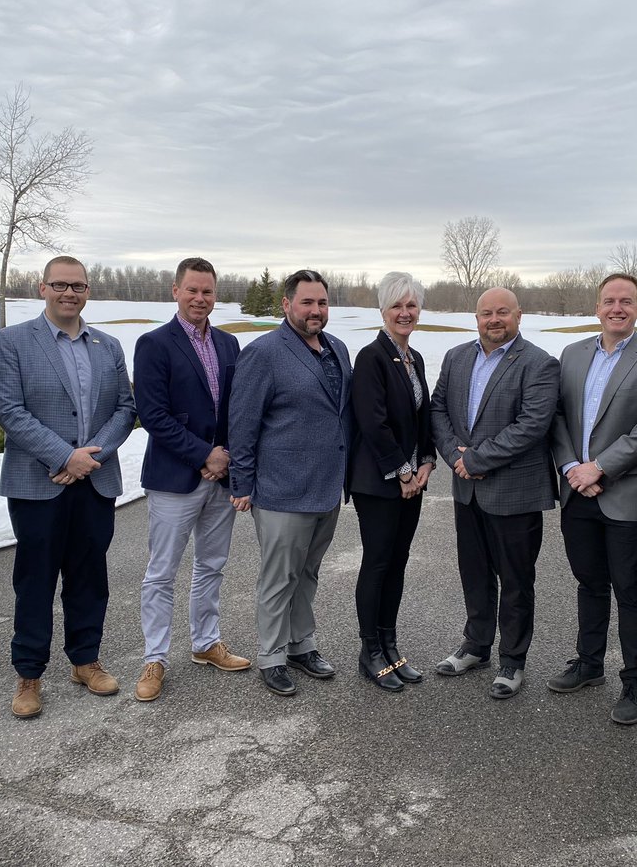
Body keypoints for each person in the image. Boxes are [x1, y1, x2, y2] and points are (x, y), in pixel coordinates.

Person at [0, 255, 135, 719]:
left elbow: (125, 408)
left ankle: (85, 660)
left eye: (78, 286)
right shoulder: (12, 341)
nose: (69, 293)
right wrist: (63, 456)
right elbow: (10, 410)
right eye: (60, 285)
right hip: (37, 483)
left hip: (95, 480)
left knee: (90, 575)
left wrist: (88, 457)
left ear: (88, 291)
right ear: (42, 288)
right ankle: (29, 674)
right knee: (35, 579)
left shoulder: (108, 345)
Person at [547, 273, 637, 724]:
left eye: (626, 301)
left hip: (628, 496)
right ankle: (589, 664)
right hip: (578, 494)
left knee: (631, 591)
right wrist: (571, 469)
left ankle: (635, 683)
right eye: (609, 301)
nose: (617, 308)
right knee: (589, 584)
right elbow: (558, 417)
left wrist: (598, 467)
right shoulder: (572, 354)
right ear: (597, 306)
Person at [228, 269, 353, 697]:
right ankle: (272, 655)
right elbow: (242, 424)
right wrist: (241, 483)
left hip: (326, 486)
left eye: (322, 303)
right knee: (279, 575)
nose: (316, 310)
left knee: (308, 572)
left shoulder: (338, 349)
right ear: (287, 305)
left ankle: (302, 644)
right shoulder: (264, 353)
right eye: (307, 302)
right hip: (281, 488)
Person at [430, 287, 559, 700]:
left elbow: (532, 425)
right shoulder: (456, 358)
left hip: (514, 493)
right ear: (476, 317)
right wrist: (455, 457)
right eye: (487, 313)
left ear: (519, 316)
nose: (494, 319)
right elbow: (438, 410)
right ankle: (476, 645)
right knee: (475, 573)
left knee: (517, 580)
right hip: (467, 490)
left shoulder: (539, 364)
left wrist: (478, 460)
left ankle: (513, 660)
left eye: (503, 312)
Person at [132, 257, 250, 702]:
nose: (200, 299)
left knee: (211, 565)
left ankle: (205, 643)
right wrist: (205, 455)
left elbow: (235, 409)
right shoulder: (154, 344)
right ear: (175, 291)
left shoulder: (227, 344)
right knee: (162, 572)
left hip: (220, 479)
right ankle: (155, 658)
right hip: (174, 478)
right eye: (192, 290)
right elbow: (154, 415)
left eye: (208, 291)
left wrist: (225, 459)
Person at [348, 272, 435, 692]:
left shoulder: (412, 358)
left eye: (411, 305)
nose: (405, 313)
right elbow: (373, 421)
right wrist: (401, 470)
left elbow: (423, 419)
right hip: (378, 483)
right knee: (378, 562)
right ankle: (370, 650)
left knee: (398, 564)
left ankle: (390, 642)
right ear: (383, 311)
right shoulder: (372, 357)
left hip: (410, 482)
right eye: (397, 306)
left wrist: (426, 463)